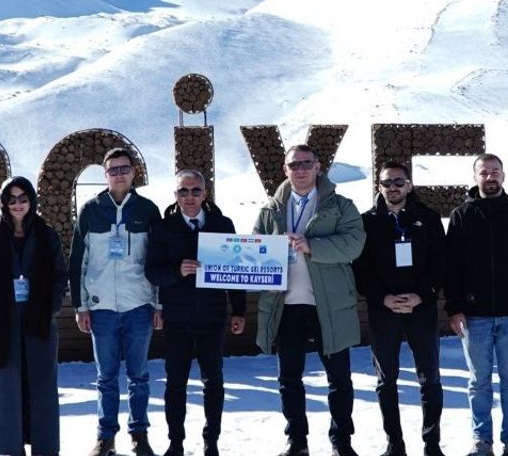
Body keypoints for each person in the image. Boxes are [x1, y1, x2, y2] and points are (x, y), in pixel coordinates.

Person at [254, 144, 365, 456]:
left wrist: (311, 246)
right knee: (289, 378)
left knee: (339, 378)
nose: (300, 170)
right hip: (286, 306)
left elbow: (354, 244)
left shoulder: (340, 206)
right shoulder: (270, 210)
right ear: (285, 170)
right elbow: (255, 249)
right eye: (294, 165)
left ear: (318, 167)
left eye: (306, 163)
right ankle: (296, 441)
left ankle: (341, 442)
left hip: (329, 306)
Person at [445, 154, 508, 456]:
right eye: (484, 172)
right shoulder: (461, 216)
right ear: (475, 178)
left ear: (503, 175)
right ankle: (481, 440)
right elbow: (452, 268)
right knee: (479, 383)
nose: (490, 177)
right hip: (474, 316)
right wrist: (454, 308)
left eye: (495, 171)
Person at [146, 170, 247, 456]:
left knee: (213, 380)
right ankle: (175, 443)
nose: (189, 197)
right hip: (177, 318)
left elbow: (236, 270)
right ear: (175, 195)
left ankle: (211, 442)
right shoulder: (164, 227)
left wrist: (239, 310)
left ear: (205, 193)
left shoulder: (222, 224)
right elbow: (152, 272)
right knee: (176, 383)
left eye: (195, 191)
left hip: (213, 316)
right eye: (183, 191)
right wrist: (176, 271)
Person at [69, 148, 163, 456]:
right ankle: (105, 436)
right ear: (105, 174)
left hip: (139, 305)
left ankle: (139, 434)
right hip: (102, 308)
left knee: (139, 376)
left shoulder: (148, 210)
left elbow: (159, 259)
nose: (119, 174)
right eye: (113, 170)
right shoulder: (91, 210)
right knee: (106, 377)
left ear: (134, 172)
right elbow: (78, 262)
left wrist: (158, 304)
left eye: (124, 168)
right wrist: (81, 306)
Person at [0, 176, 67, 456]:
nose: (18, 204)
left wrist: (49, 307)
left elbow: (59, 275)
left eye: (23, 198)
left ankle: (43, 448)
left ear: (32, 200)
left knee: (40, 389)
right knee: (3, 391)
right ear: (4, 203)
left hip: (38, 323)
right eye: (11, 199)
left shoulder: (47, 235)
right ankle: (9, 448)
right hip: (0, 325)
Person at [353, 161, 446, 456]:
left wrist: (422, 296)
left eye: (398, 182)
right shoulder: (367, 222)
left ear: (409, 185)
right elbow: (361, 270)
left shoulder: (428, 218)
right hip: (383, 311)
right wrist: (383, 298)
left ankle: (432, 444)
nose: (392, 187)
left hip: (422, 309)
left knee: (430, 378)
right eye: (387, 183)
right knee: (386, 380)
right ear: (379, 187)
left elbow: (440, 264)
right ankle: (395, 444)